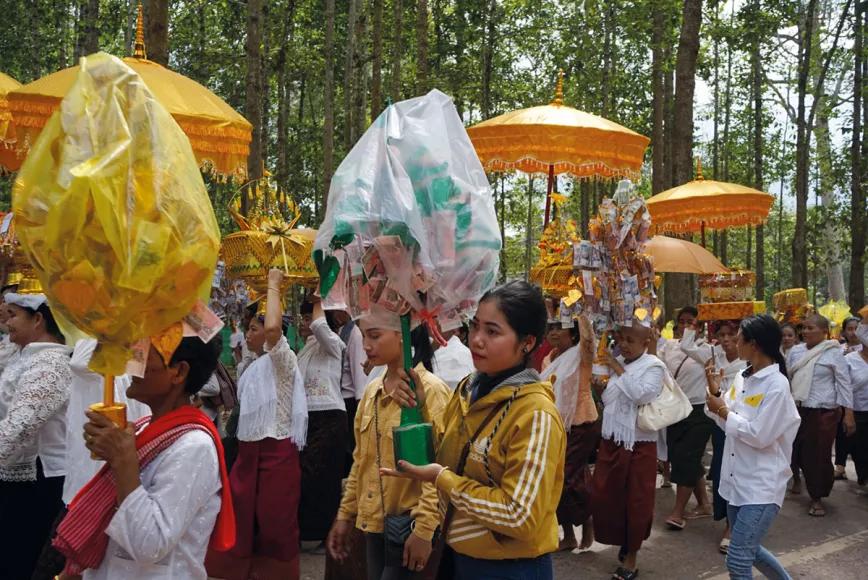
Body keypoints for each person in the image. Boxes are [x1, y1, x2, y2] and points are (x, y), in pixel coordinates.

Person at [381, 281, 566, 579]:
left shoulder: (535, 415)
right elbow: (452, 458)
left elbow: (520, 517)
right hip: (459, 557)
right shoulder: (469, 389)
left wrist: (442, 479)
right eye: (475, 326)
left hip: (511, 568)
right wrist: (419, 409)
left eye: (492, 332)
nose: (476, 340)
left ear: (527, 343)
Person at [54, 330, 234, 579]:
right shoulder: (142, 428)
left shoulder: (195, 446)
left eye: (143, 353)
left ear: (178, 372)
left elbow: (149, 544)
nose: (131, 360)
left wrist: (123, 462)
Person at [326, 309, 452, 579]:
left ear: (402, 335)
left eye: (374, 336)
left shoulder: (431, 391)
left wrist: (424, 529)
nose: (366, 345)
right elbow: (361, 462)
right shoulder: (372, 392)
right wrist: (345, 514)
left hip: (411, 529)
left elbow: (441, 466)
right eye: (363, 336)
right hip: (375, 527)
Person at [206, 269, 308, 580]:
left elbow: (275, 329)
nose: (248, 335)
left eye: (253, 328)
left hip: (277, 455)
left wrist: (273, 284)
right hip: (249, 455)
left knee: (275, 527)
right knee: (241, 524)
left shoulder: (283, 361)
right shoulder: (250, 365)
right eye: (247, 329)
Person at [705, 314, 800, 580]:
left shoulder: (776, 385)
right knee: (750, 550)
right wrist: (717, 397)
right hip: (737, 481)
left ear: (754, 344)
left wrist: (723, 410)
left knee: (738, 560)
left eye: (738, 339)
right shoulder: (742, 377)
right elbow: (728, 423)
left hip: (761, 486)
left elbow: (760, 435)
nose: (733, 344)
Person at [0, 293, 72, 579]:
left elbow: (20, 426)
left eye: (13, 315)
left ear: (38, 319)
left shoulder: (50, 364)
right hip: (19, 472)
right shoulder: (26, 355)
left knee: (19, 559)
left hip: (39, 480)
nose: (6, 322)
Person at [590, 320, 665, 580]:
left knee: (637, 502)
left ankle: (632, 557)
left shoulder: (654, 366)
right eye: (621, 339)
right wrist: (601, 384)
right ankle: (623, 539)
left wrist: (616, 368)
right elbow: (609, 400)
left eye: (630, 340)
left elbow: (642, 395)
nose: (624, 345)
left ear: (646, 342)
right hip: (612, 439)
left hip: (639, 443)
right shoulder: (618, 363)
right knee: (606, 496)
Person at [678, 320, 747, 553]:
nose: (726, 339)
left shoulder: (750, 361)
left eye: (731, 334)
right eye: (721, 334)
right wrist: (693, 325)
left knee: (739, 472)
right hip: (719, 422)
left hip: (743, 422)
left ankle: (733, 527)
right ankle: (726, 517)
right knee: (720, 471)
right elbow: (686, 346)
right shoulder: (713, 354)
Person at [787, 314, 855, 516]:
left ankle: (817, 497)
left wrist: (848, 413)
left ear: (824, 331)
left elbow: (844, 383)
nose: (805, 332)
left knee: (818, 455)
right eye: (804, 328)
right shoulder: (796, 351)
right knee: (794, 449)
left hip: (823, 411)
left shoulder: (833, 352)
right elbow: (789, 379)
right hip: (797, 408)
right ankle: (797, 478)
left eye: (811, 328)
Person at [541, 315, 599, 552]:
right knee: (560, 478)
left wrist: (578, 309)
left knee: (567, 478)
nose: (554, 332)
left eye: (560, 327)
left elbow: (589, 338)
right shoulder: (548, 359)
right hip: (557, 425)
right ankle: (568, 535)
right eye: (551, 327)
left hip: (581, 423)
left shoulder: (582, 354)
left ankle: (587, 520)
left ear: (573, 333)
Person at [296, 298, 349, 548]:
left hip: (330, 416)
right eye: (302, 318)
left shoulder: (333, 343)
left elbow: (319, 325)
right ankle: (309, 532)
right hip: (307, 418)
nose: (303, 323)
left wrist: (319, 296)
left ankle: (325, 534)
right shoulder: (303, 350)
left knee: (324, 477)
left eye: (307, 318)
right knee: (306, 476)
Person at [660, 307, 714, 530]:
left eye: (690, 322)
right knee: (681, 457)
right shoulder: (669, 346)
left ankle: (677, 512)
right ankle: (704, 504)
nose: (685, 326)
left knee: (687, 457)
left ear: (699, 326)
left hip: (699, 411)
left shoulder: (707, 350)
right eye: (681, 322)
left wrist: (689, 337)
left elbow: (689, 348)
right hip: (674, 410)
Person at [834, 316, 863, 480]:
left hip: (862, 399)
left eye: (856, 329)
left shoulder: (864, 348)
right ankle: (840, 466)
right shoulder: (839, 349)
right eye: (849, 329)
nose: (853, 332)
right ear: (844, 332)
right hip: (844, 399)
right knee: (842, 433)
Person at [847, 315, 868, 485]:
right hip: (859, 412)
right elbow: (845, 389)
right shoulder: (849, 360)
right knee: (860, 450)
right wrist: (848, 414)